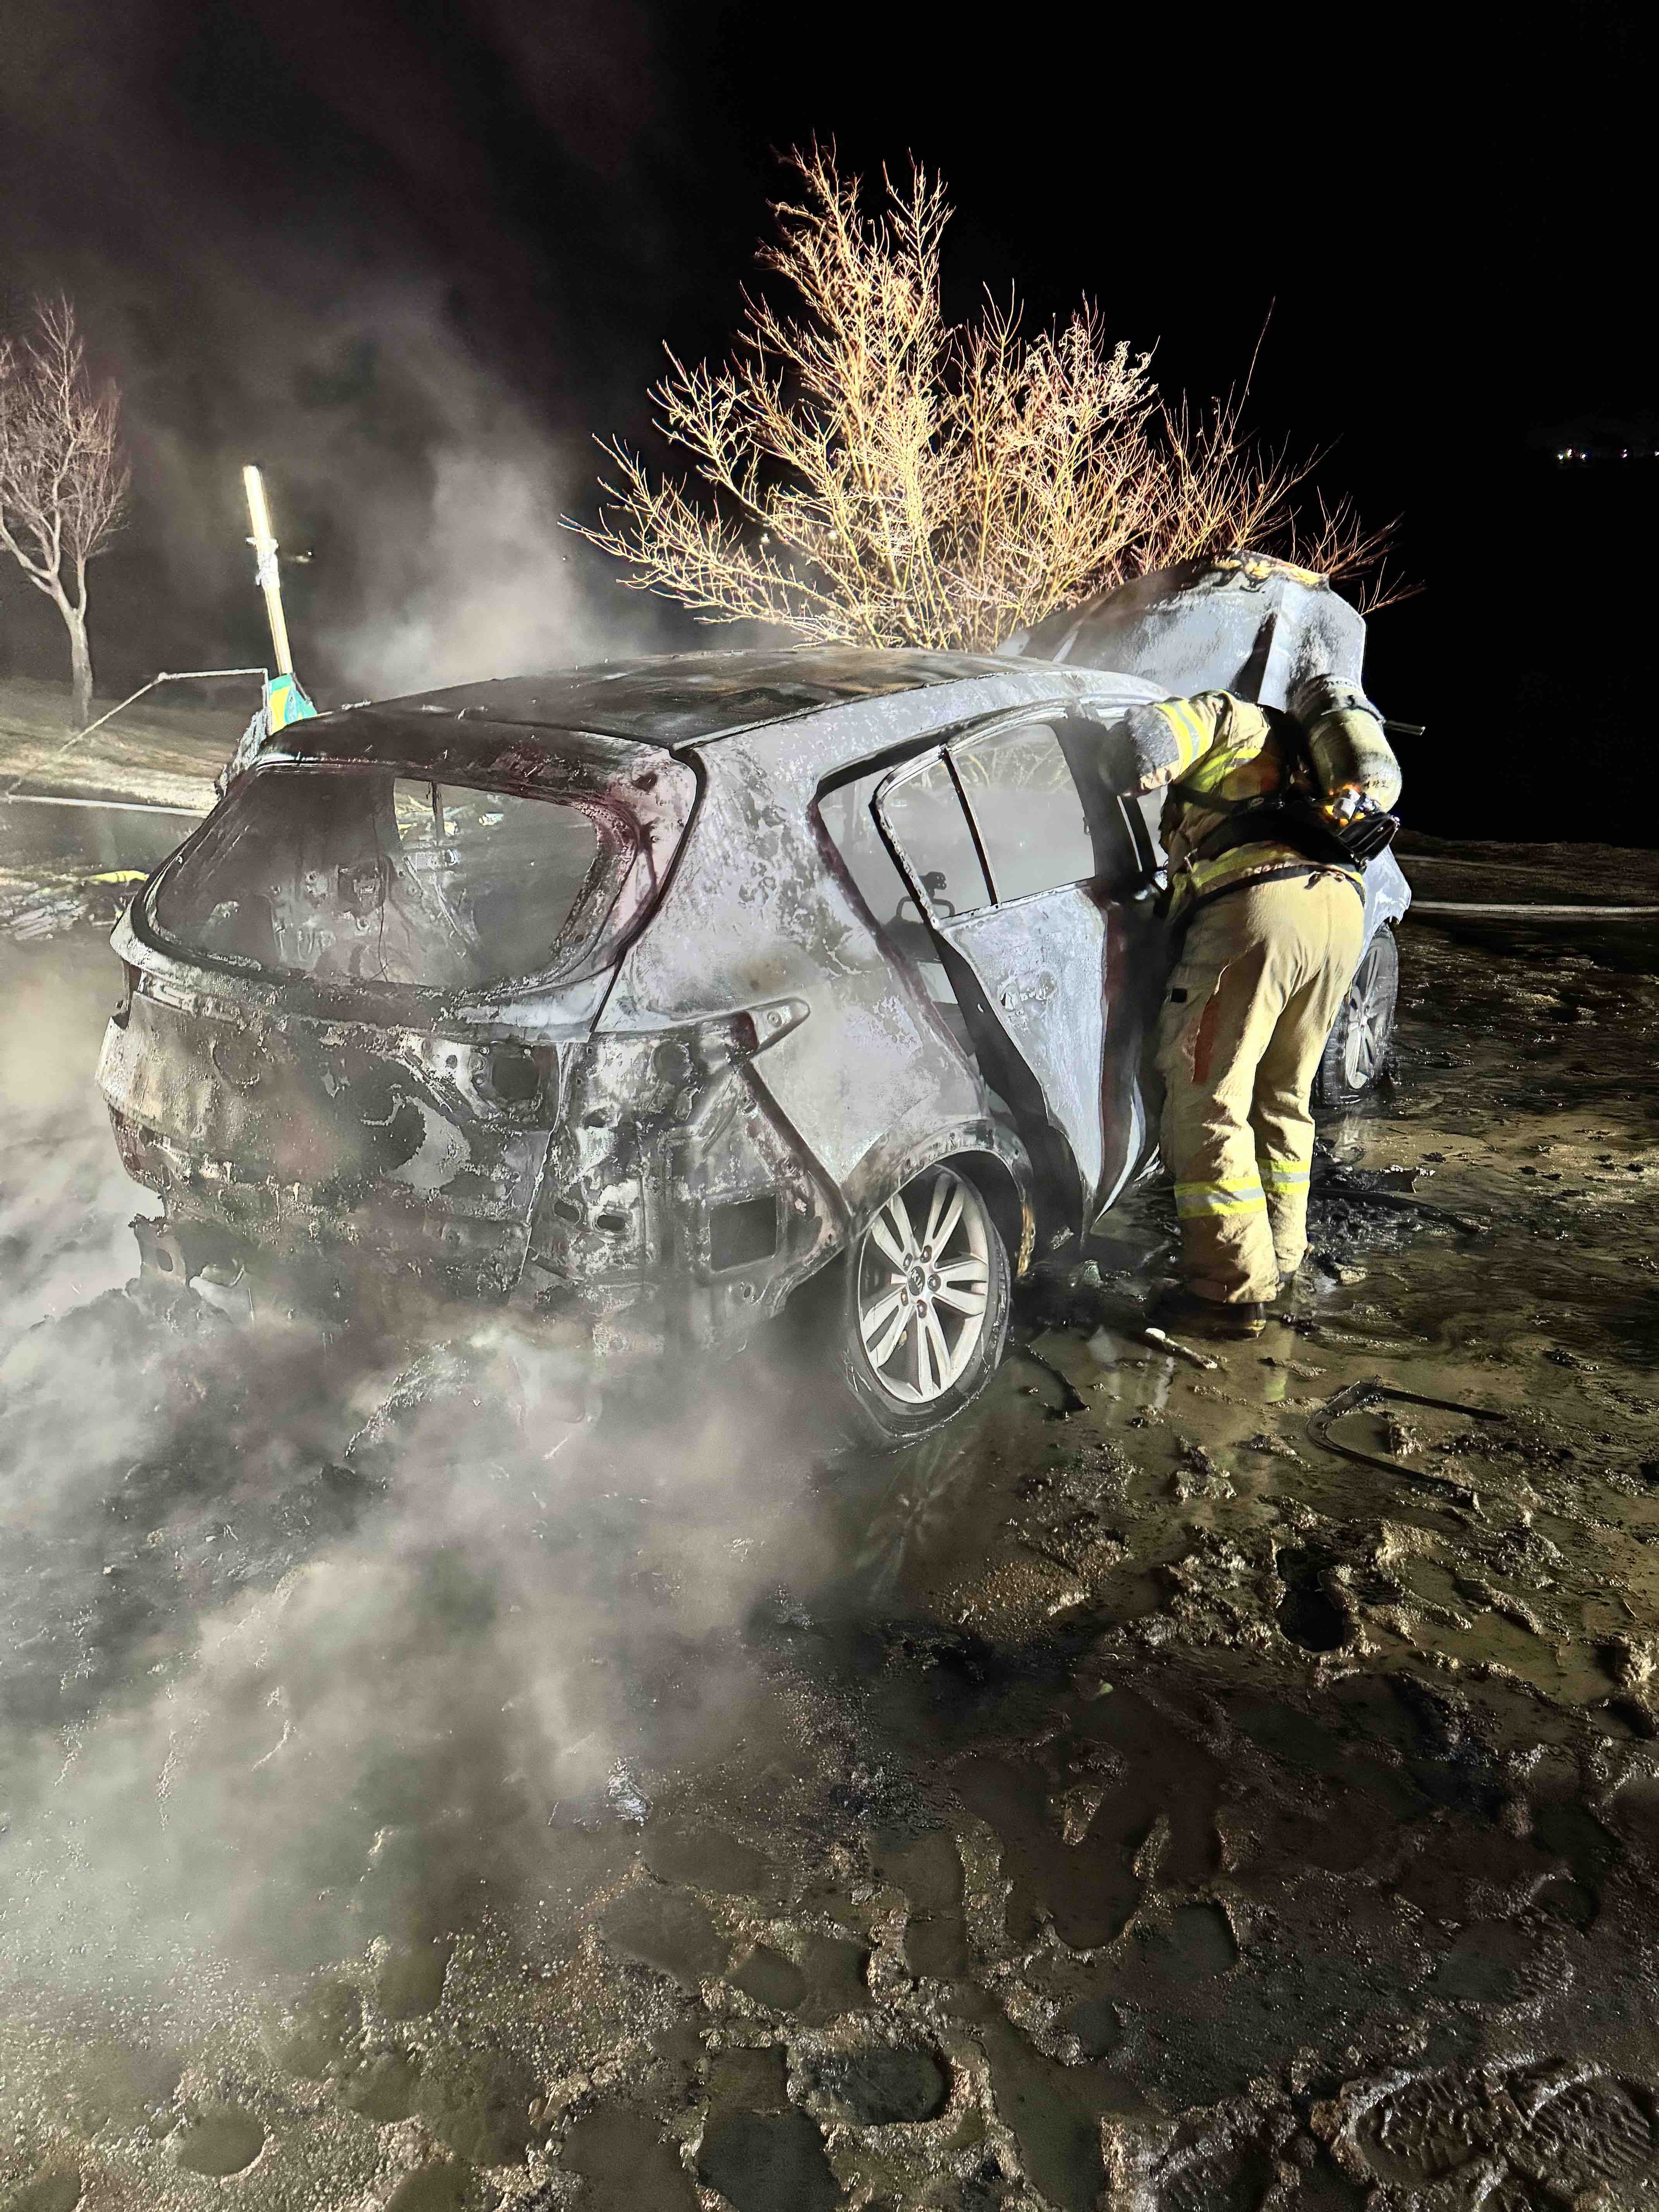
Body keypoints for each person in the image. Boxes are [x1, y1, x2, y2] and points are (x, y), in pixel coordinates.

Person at [1119, 679, 1402, 1338]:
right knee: (1283, 1094)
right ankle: (1280, 1257)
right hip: (1340, 913)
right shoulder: (1322, 765)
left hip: (1259, 909)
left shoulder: (1228, 718)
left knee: (1207, 1096)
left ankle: (1228, 1292)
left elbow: (1144, 748)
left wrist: (1102, 741)